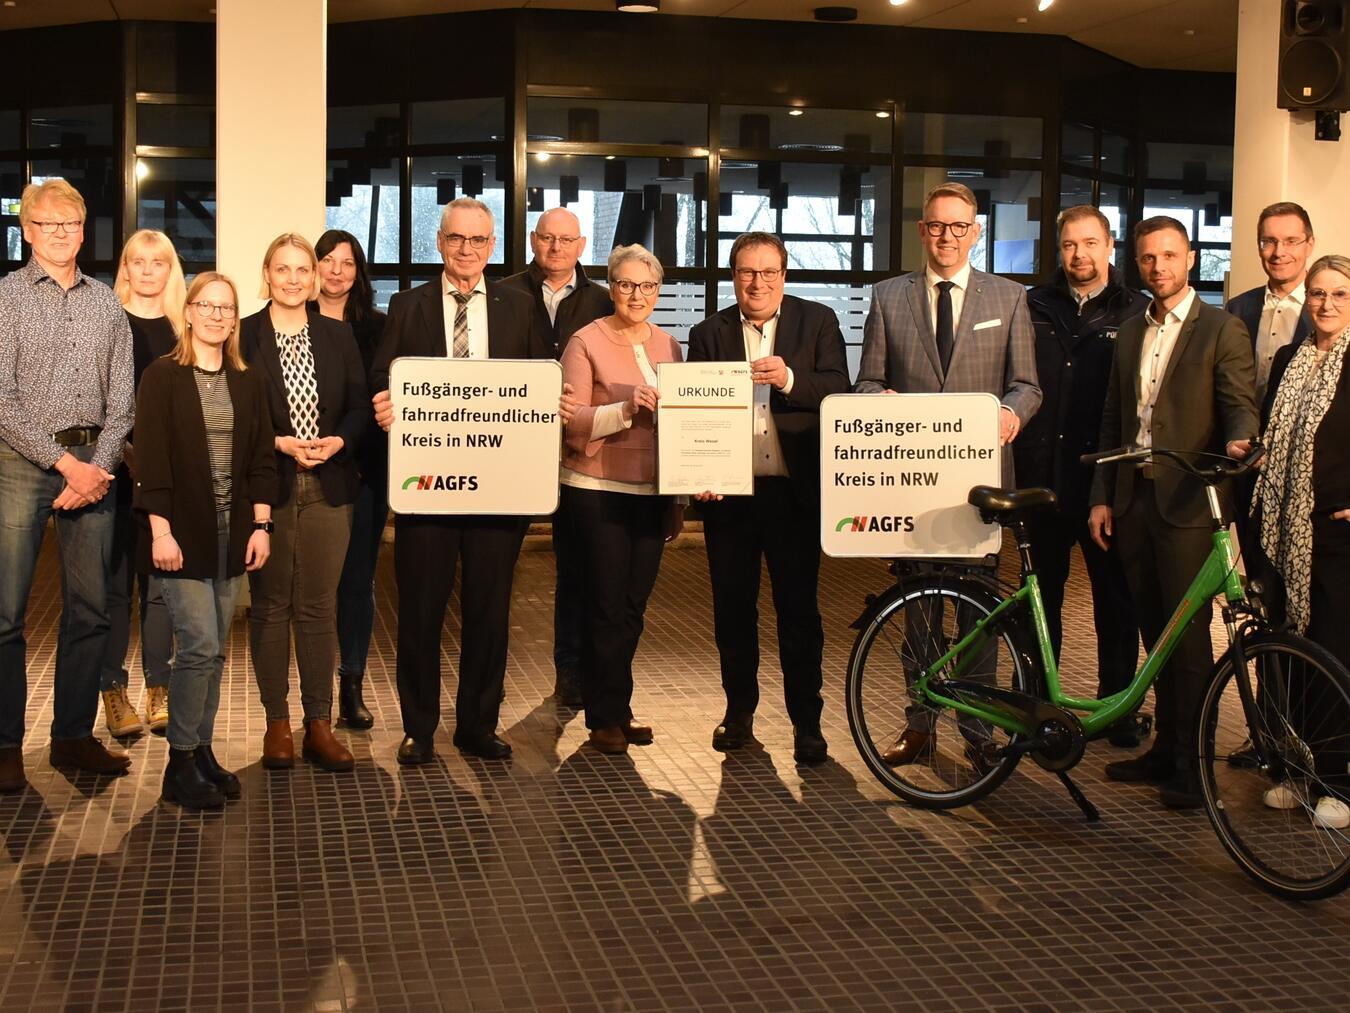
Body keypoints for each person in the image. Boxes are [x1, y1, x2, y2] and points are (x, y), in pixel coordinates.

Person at [854, 181, 1041, 769]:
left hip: (981, 485)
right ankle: (920, 725)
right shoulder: (889, 296)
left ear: (975, 232)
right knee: (919, 613)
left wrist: (1011, 413)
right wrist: (877, 401)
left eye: (959, 227)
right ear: (922, 231)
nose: (947, 237)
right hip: (913, 486)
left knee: (979, 615)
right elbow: (866, 382)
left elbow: (1027, 385)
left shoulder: (1009, 297)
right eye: (937, 226)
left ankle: (979, 731)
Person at [1088, 216, 1258, 809]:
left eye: (1169, 256)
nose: (1158, 267)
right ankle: (1165, 748)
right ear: (1136, 263)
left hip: (1188, 503)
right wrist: (1102, 494)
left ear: (1189, 259)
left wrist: (1240, 441)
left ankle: (1194, 764)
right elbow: (1114, 417)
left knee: (1187, 640)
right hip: (1133, 499)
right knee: (1154, 632)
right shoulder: (1132, 329)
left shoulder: (1222, 328)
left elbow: (1239, 404)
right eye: (1147, 258)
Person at [371, 197, 547, 763]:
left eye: (477, 240)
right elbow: (382, 376)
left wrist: (555, 403)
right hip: (428, 488)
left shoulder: (520, 306)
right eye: (456, 238)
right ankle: (419, 728)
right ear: (439, 242)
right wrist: (384, 403)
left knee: (489, 614)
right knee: (420, 612)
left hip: (500, 489)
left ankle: (477, 725)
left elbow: (543, 379)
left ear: (492, 246)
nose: (466, 250)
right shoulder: (407, 305)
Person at [687, 232, 849, 765]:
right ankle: (739, 713)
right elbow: (695, 414)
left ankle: (808, 723)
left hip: (793, 496)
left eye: (768, 272)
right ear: (734, 276)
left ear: (784, 275)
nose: (757, 283)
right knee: (732, 612)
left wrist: (789, 379)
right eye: (746, 272)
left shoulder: (818, 321)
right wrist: (698, 469)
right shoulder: (708, 333)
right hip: (730, 498)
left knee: (798, 613)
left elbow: (838, 389)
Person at [0, 180, 135, 794]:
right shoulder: (6, 298)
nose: (60, 233)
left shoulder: (106, 303)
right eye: (48, 224)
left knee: (91, 610)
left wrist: (96, 468)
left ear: (84, 231)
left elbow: (123, 399)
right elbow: (2, 401)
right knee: (7, 614)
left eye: (71, 224)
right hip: (22, 462)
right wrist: (64, 465)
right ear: (27, 231)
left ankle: (73, 736)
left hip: (94, 466)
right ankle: (5, 745)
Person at [133, 272, 275, 809]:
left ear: (235, 320)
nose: (217, 316)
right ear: (189, 312)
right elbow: (151, 460)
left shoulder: (246, 381)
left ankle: (202, 751)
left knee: (214, 654)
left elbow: (261, 458)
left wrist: (261, 525)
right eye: (207, 306)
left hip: (231, 533)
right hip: (181, 533)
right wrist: (160, 531)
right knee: (198, 646)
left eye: (226, 308)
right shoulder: (162, 377)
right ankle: (179, 763)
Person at [1013, 206, 1148, 747]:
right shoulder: (1032, 306)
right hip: (1041, 480)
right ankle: (1040, 709)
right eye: (1069, 244)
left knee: (1115, 604)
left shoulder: (1136, 309)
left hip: (1103, 484)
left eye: (1090, 243)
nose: (1079, 255)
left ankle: (1116, 708)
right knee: (1038, 605)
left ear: (1110, 246)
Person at [241, 233, 370, 772]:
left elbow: (360, 408)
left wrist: (338, 441)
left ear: (313, 278)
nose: (293, 280)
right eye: (283, 269)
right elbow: (234, 414)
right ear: (267, 274)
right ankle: (277, 722)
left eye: (302, 270)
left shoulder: (337, 335)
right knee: (271, 606)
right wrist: (279, 442)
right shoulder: (243, 335)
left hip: (329, 487)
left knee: (318, 607)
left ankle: (318, 723)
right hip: (267, 490)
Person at [558, 244, 684, 755]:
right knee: (606, 605)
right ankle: (603, 716)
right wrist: (626, 410)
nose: (637, 295)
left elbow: (683, 427)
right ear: (611, 287)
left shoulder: (671, 346)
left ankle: (619, 705)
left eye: (648, 286)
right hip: (597, 491)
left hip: (651, 492)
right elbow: (571, 422)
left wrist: (677, 499)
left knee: (633, 607)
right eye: (627, 285)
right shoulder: (584, 342)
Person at [1246, 254, 1350, 829]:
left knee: (1334, 655)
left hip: (1335, 536)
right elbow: (1272, 430)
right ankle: (1295, 769)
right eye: (1317, 293)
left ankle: (1339, 782)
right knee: (1289, 655)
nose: (1326, 304)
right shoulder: (1291, 356)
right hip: (1280, 530)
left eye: (1339, 294)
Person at [501, 207, 612, 708]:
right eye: (547, 238)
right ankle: (490, 674)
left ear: (581, 245)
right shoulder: (503, 294)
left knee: (576, 566)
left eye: (566, 240)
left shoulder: (603, 301)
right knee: (498, 564)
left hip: (577, 449)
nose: (556, 248)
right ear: (533, 239)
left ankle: (571, 670)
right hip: (511, 447)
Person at [100, 229, 184, 738]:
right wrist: (123, 452)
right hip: (112, 472)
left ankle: (159, 687)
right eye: (138, 261)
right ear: (125, 269)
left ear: (171, 269)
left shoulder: (183, 329)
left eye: (159, 261)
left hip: (164, 478)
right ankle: (112, 690)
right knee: (113, 588)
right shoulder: (106, 322)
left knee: (159, 588)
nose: (148, 270)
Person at [314, 229, 387, 732]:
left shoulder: (380, 327)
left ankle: (352, 685)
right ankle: (314, 695)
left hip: (366, 472)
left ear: (358, 271)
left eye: (347, 263)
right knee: (313, 589)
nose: (337, 271)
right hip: (309, 469)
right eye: (328, 260)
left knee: (357, 581)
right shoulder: (292, 321)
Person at [1225, 202, 1316, 566]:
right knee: (1255, 566)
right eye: (1269, 241)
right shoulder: (1237, 308)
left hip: (1303, 469)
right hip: (1246, 461)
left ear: (1310, 243)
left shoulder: (1329, 308)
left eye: (1291, 241)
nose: (1279, 252)